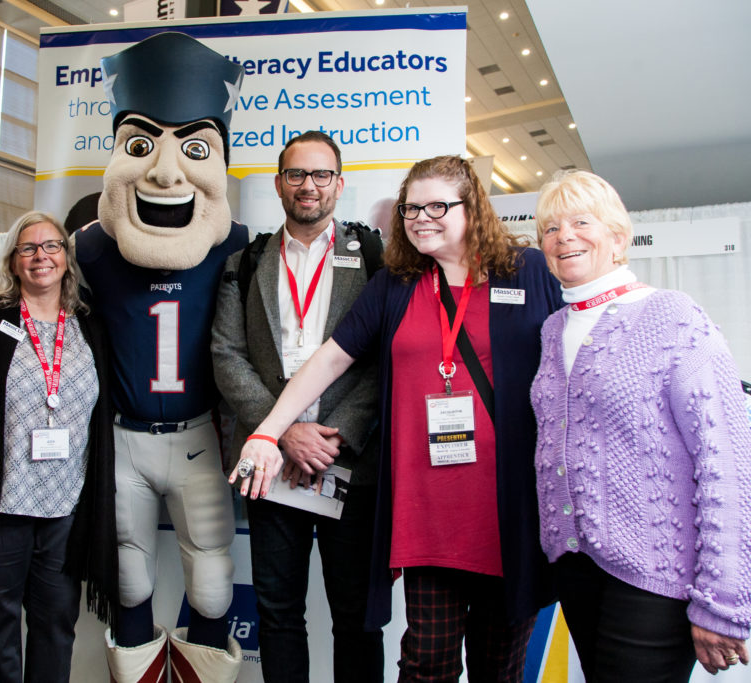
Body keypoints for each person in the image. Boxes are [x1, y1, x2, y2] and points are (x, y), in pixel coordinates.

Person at [235, 155, 561, 681]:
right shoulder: (398, 283)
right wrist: (268, 431)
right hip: (428, 511)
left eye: (438, 205)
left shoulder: (527, 271)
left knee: (497, 665)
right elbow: (331, 358)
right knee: (424, 663)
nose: (421, 218)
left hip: (508, 509)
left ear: (472, 206)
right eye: (412, 207)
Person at [73, 32, 247, 682]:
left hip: (199, 434)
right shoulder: (91, 249)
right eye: (142, 145)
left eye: (194, 148)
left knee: (211, 576)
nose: (166, 172)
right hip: (124, 438)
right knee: (127, 568)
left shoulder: (234, 245)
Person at [531, 169, 751, 679]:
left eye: (580, 221)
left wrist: (722, 599)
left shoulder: (674, 317)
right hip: (577, 568)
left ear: (618, 236)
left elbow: (728, 462)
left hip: (657, 575)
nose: (564, 236)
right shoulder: (553, 329)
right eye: (550, 228)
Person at [211, 131, 384, 683]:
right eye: (296, 175)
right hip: (271, 465)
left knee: (356, 618)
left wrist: (336, 434)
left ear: (339, 183)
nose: (308, 186)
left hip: (347, 463)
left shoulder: (376, 258)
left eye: (321, 175)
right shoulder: (248, 260)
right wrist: (283, 431)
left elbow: (388, 358)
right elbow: (227, 354)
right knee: (278, 614)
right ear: (279, 183)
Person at [0, 211, 117, 681]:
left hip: (66, 507)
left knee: (56, 625)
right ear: (12, 262)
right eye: (28, 249)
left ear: (67, 260)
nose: (41, 257)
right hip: (0, 505)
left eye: (51, 246)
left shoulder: (89, 326)